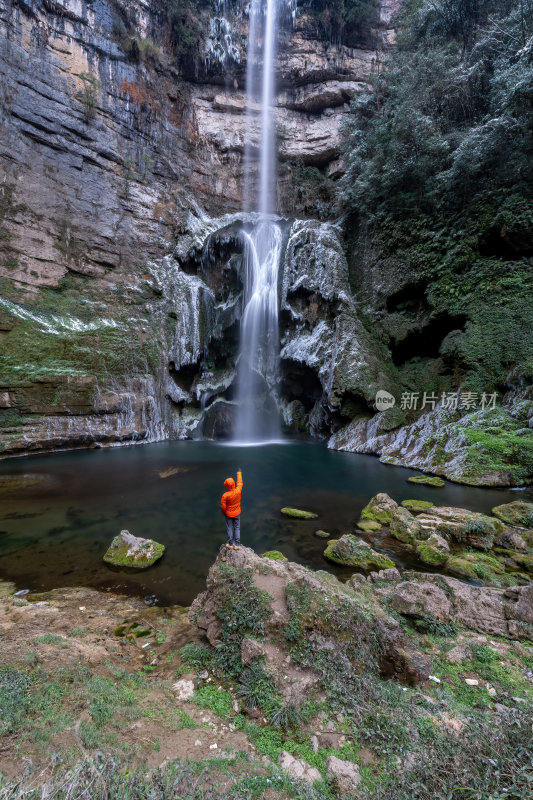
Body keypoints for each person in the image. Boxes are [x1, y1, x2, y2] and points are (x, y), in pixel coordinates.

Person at [220, 469, 243, 550]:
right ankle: (237, 545)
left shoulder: (225, 495)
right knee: (237, 528)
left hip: (228, 514)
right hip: (237, 513)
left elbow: (223, 506)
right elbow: (240, 482)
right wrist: (239, 473)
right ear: (233, 484)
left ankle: (230, 544)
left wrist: (224, 512)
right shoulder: (238, 491)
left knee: (229, 528)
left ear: (226, 486)